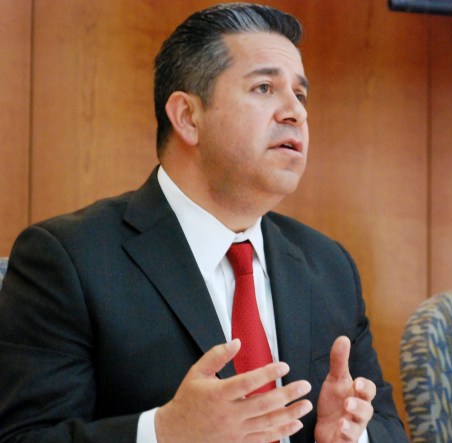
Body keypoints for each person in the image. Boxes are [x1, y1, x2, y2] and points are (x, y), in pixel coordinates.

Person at [0, 3, 407, 443]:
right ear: (188, 117)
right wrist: (162, 433)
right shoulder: (70, 258)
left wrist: (350, 435)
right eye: (265, 88)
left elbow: (388, 426)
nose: (296, 113)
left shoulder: (328, 266)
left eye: (301, 95)